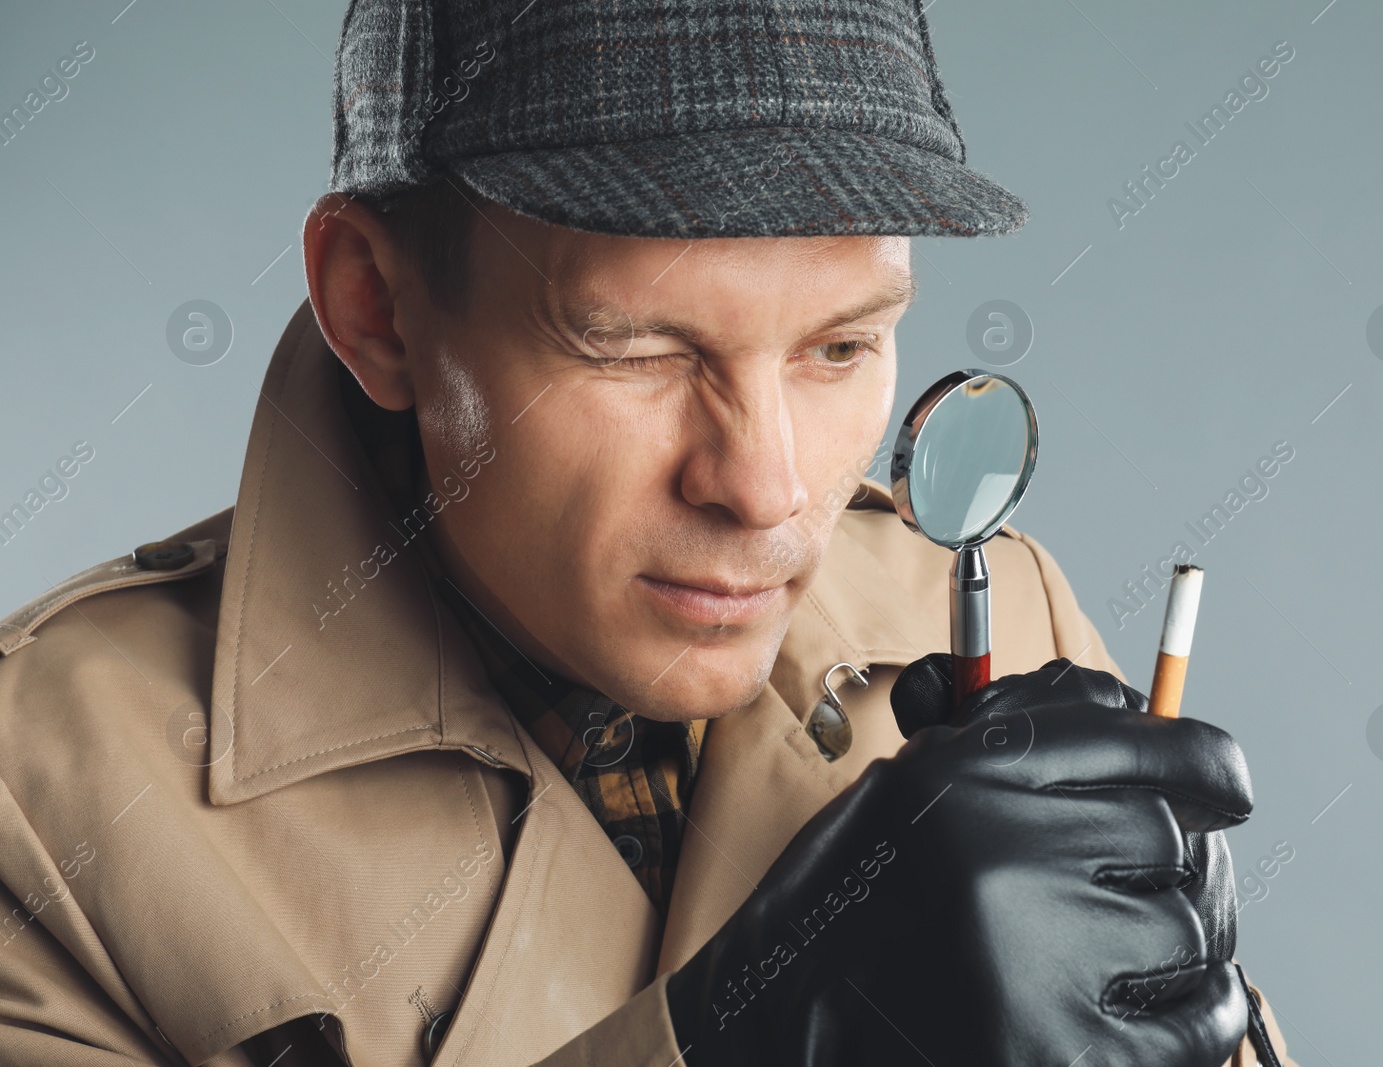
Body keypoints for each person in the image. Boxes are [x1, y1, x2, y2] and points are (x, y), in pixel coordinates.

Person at [0, 0, 1295, 1063]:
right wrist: (742, 1040)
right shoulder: (41, 800)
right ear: (378, 308)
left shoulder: (1001, 616)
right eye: (633, 349)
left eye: (842, 345)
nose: (769, 489)